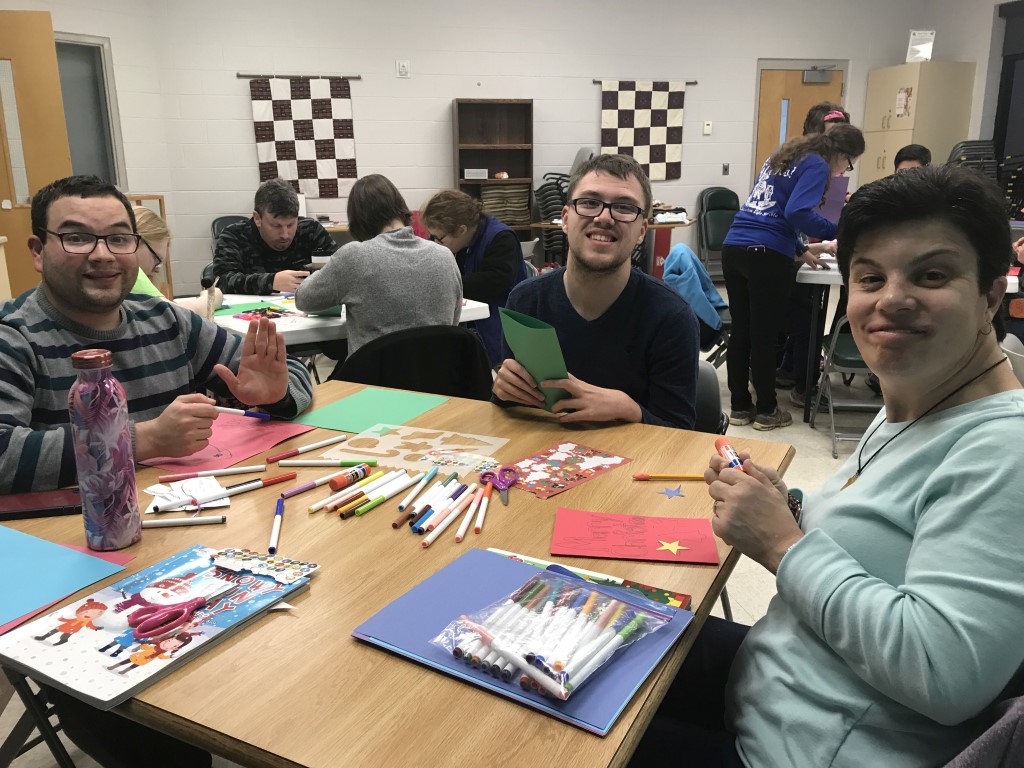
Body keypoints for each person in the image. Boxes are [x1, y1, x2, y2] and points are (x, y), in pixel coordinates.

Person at [631, 165, 1024, 768]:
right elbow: (877, 539)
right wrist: (786, 504)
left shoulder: (1007, 449)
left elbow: (944, 674)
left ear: (990, 295)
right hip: (776, 686)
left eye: (932, 274)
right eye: (870, 277)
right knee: (594, 631)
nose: (892, 298)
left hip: (799, 748)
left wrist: (784, 546)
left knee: (533, 742)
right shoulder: (917, 397)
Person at [0, 175, 314, 495]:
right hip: (76, 537)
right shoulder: (13, 339)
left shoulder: (169, 322)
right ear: (38, 251)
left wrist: (276, 395)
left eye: (119, 238)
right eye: (77, 237)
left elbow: (291, 369)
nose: (102, 254)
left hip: (180, 520)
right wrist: (144, 440)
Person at [492, 153, 699, 430]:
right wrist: (503, 392)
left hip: (633, 465)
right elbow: (512, 414)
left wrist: (630, 410)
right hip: (545, 462)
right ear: (565, 219)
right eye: (589, 202)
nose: (604, 217)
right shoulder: (527, 300)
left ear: (641, 230)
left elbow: (681, 435)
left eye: (624, 207)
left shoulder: (671, 316)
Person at [721, 123, 865, 430]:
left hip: (735, 246)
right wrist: (843, 231)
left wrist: (799, 248)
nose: (843, 171)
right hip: (767, 254)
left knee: (742, 331)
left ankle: (739, 407)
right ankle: (767, 411)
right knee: (764, 334)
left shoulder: (783, 157)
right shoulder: (817, 164)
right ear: (842, 154)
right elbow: (796, 212)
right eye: (848, 164)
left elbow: (766, 209)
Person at [294, 174, 463, 361]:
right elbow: (452, 322)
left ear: (357, 220)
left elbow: (304, 299)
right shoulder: (445, 256)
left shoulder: (355, 257)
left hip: (372, 385)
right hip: (438, 383)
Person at [421, 188, 527, 365]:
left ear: (461, 229)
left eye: (440, 238)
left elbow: (494, 280)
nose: (437, 243)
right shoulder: (464, 241)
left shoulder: (501, 238)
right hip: (478, 324)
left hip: (501, 327)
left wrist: (446, 284)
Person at [211, 177, 337, 294]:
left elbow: (342, 269)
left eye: (291, 224)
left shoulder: (311, 230)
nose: (285, 235)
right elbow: (222, 282)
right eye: (276, 226)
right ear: (257, 218)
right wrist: (271, 282)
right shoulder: (234, 236)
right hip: (253, 314)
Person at [131, 205, 223, 316]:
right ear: (135, 241)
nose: (157, 270)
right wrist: (210, 299)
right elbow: (174, 315)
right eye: (157, 259)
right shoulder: (131, 271)